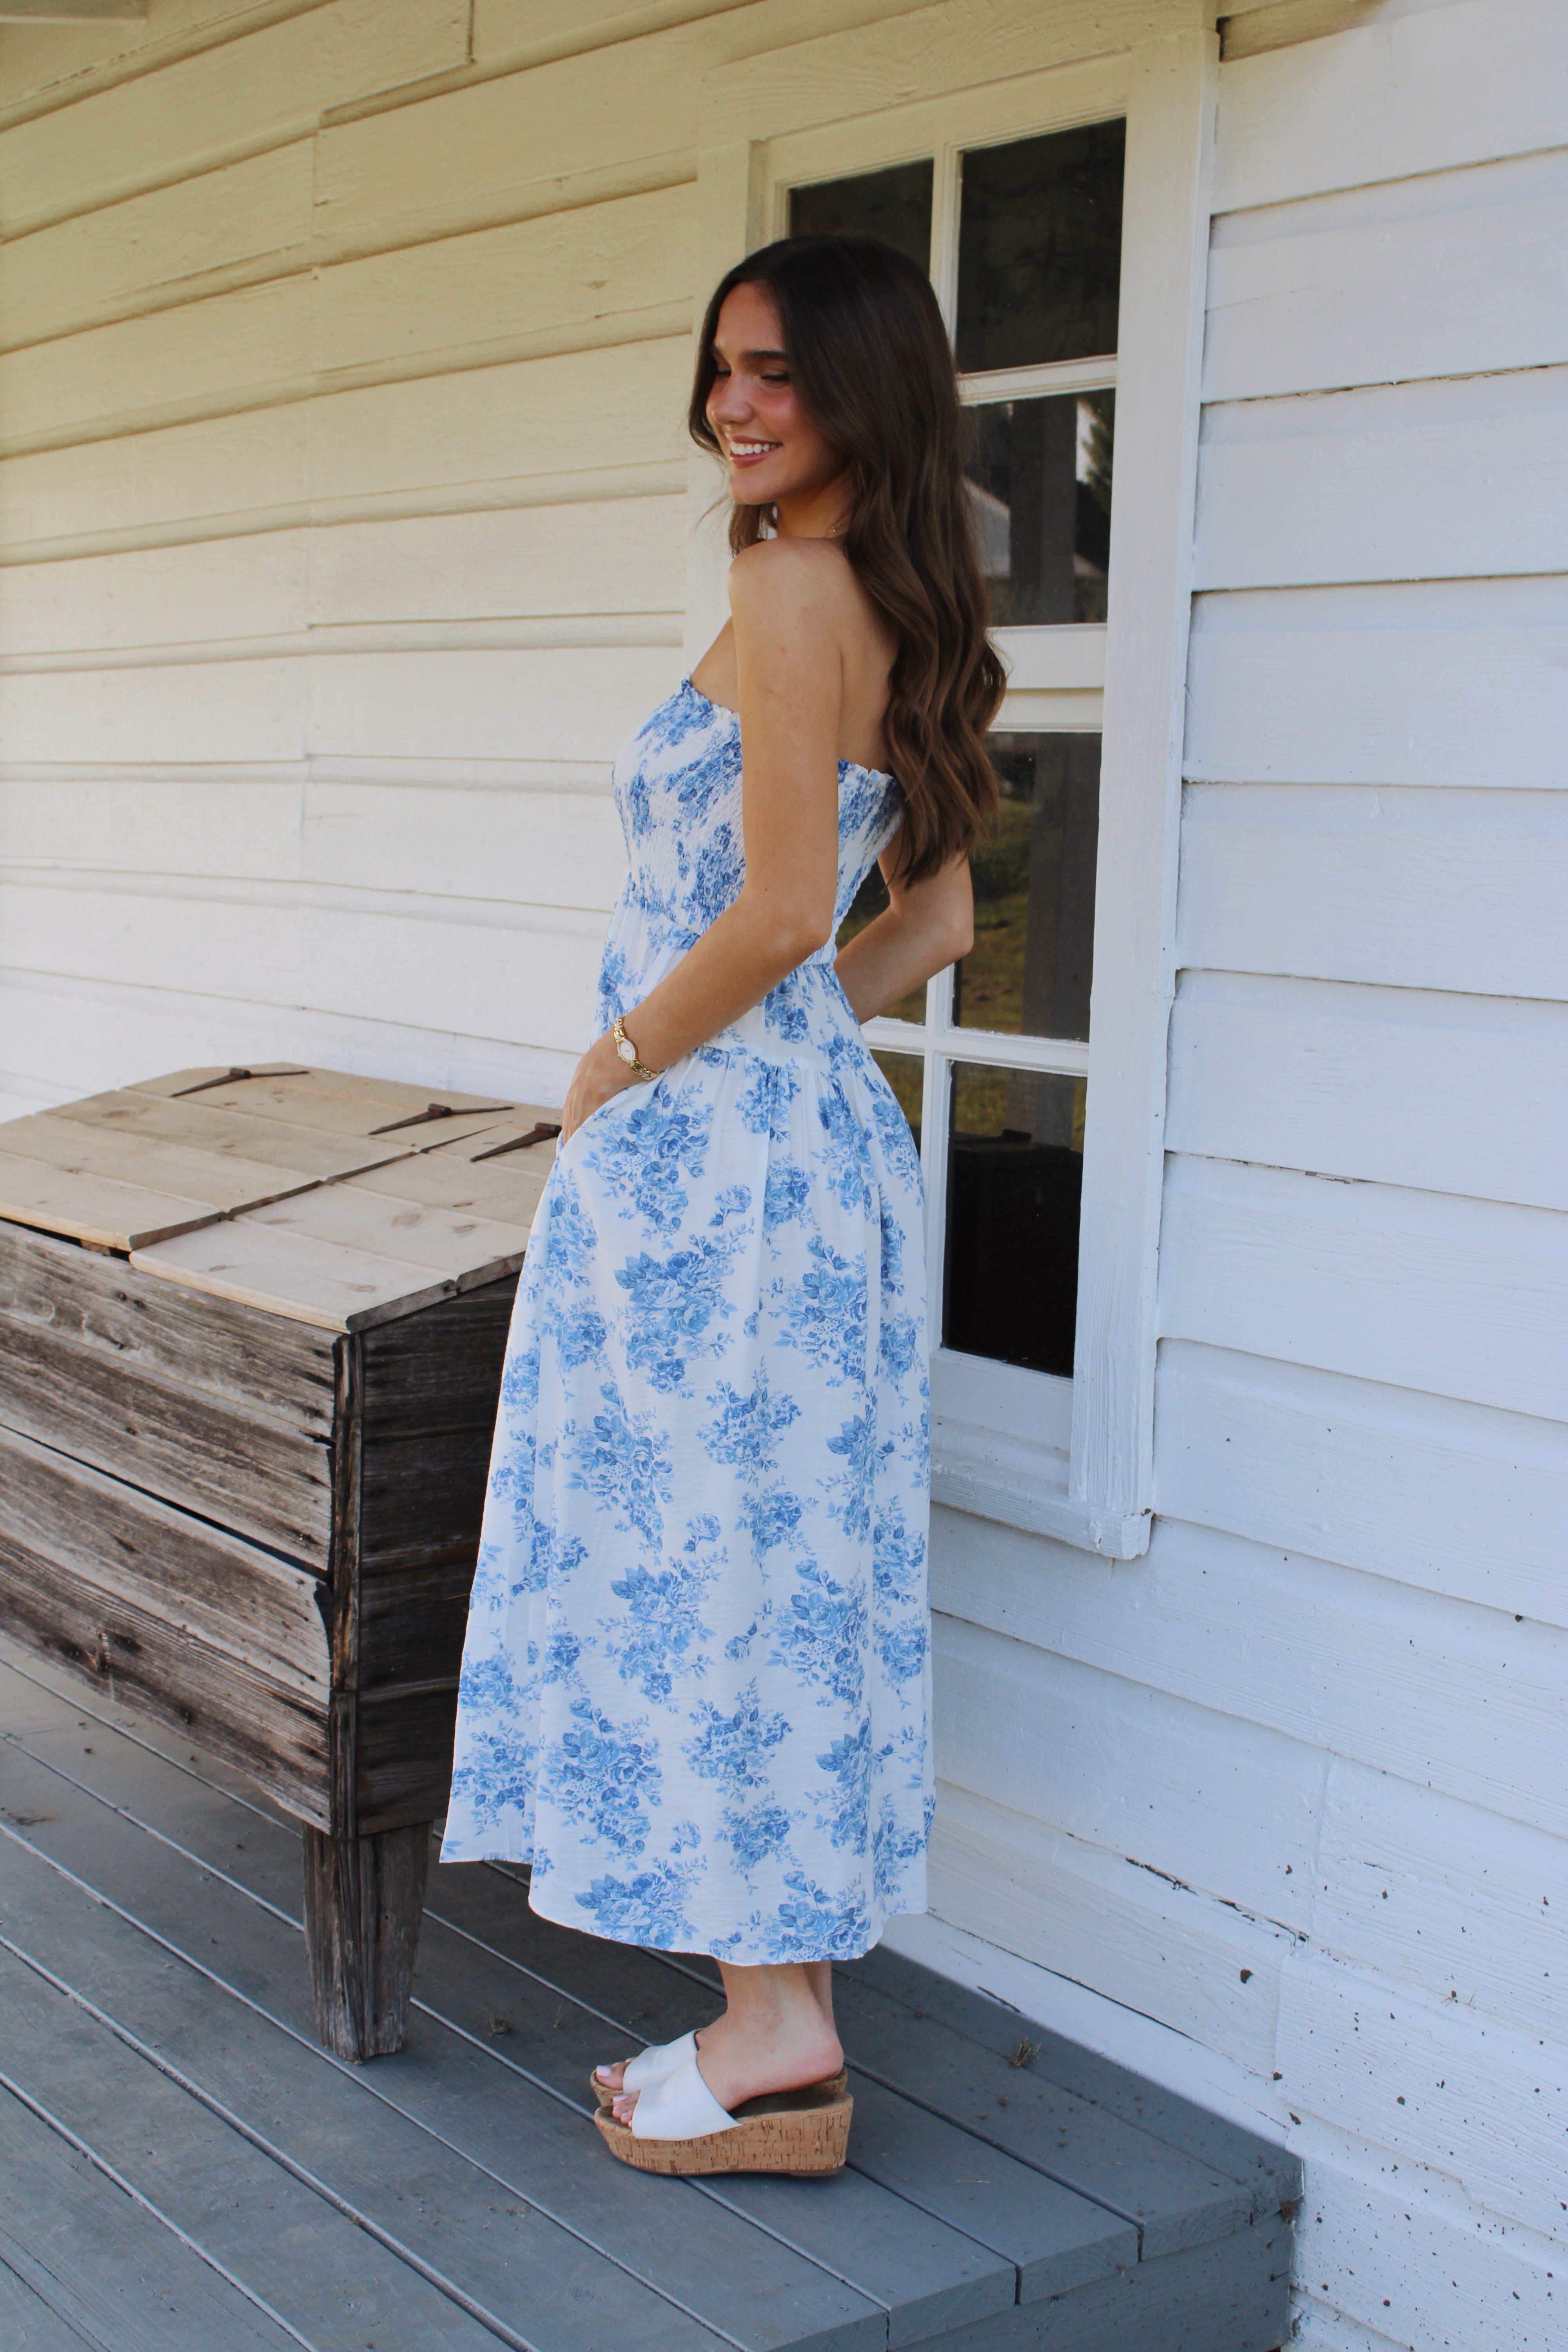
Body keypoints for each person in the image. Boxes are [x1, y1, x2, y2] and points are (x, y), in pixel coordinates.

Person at [440, 232, 1004, 2177]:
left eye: (777, 371)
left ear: (863, 385)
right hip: (805, 1161)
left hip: (706, 1171)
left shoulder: (785, 590)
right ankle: (787, 2013)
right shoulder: (910, 599)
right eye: (723, 368)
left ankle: (771, 2025)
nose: (735, 405)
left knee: (705, 1560)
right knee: (770, 1556)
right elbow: (929, 918)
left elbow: (774, 910)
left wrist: (618, 1065)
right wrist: (792, 1053)